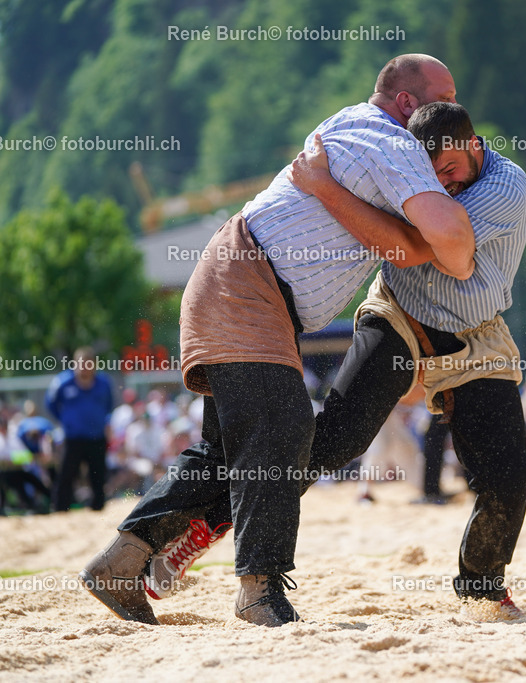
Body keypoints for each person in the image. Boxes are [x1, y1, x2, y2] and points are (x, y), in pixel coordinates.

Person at [83, 54, 476, 627]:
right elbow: (448, 238)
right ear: (409, 104)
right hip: (248, 283)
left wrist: (373, 218)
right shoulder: (392, 142)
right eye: (445, 97)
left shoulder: (363, 132)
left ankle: (121, 561)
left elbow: (412, 247)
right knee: (281, 433)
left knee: (228, 451)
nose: (454, 112)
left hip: (241, 281)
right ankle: (258, 592)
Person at [290, 101, 526, 617]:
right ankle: (218, 512)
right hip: (399, 309)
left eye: (448, 171)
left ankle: (481, 587)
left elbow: (431, 244)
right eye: (431, 175)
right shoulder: (419, 165)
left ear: (474, 146)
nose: (441, 185)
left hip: (475, 335)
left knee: (509, 484)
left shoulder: (507, 187)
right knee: (338, 438)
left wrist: (329, 190)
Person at [47, 347, 114, 512]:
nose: (85, 367)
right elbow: (51, 404)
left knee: (98, 474)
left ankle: (98, 506)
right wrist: (66, 421)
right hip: (73, 437)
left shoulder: (104, 383)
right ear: (74, 364)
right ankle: (61, 508)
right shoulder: (62, 382)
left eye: (88, 363)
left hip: (97, 436)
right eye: (81, 363)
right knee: (66, 474)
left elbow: (109, 405)